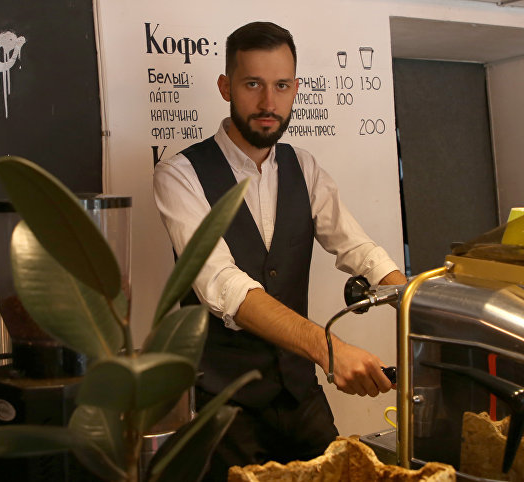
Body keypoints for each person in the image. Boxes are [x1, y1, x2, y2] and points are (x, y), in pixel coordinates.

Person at [152, 21, 407, 481]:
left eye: (282, 86)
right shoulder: (180, 175)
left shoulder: (303, 167)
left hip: (299, 395)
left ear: (295, 89)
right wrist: (330, 349)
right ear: (226, 87)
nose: (269, 103)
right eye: (253, 84)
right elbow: (223, 286)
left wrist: (413, 300)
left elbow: (358, 248)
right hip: (223, 406)